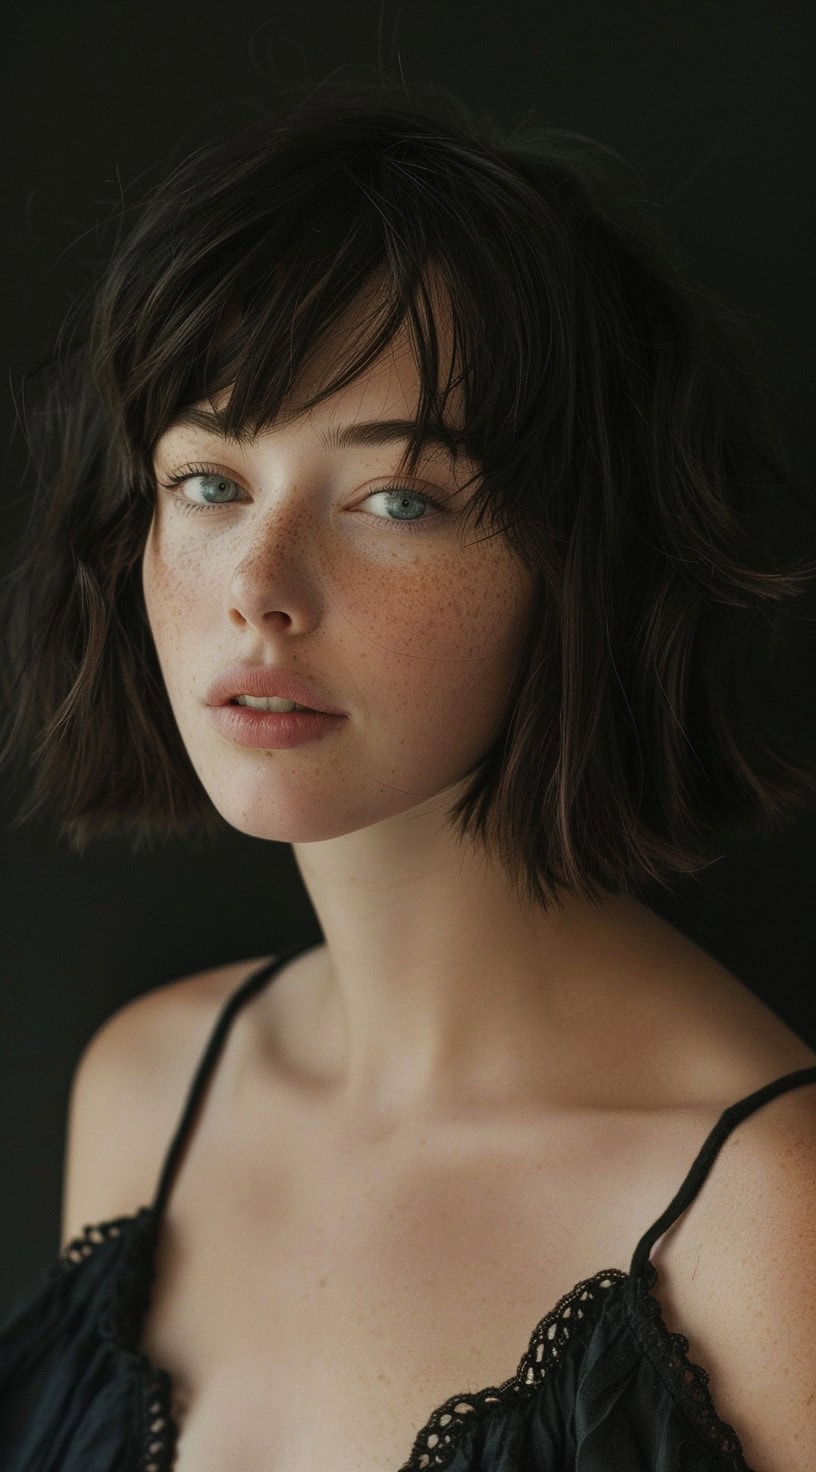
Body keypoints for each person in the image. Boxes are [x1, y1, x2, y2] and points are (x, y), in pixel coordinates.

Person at [0, 75, 815, 1472]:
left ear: (579, 567)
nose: (258, 587)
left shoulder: (767, 1222)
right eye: (209, 482)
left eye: (397, 499)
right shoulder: (147, 1090)